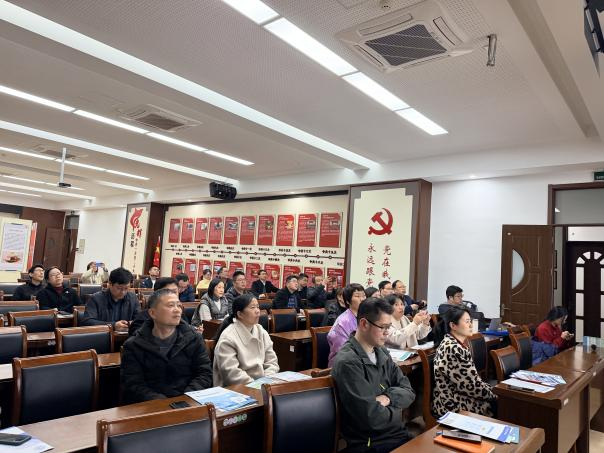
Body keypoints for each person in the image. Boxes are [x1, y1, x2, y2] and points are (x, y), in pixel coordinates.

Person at [332, 297, 415, 453]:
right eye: (383, 327)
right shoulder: (348, 362)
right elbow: (371, 418)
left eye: (389, 327)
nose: (387, 333)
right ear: (364, 324)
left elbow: (409, 391)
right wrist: (397, 409)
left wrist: (387, 398)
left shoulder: (381, 351)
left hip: (396, 434)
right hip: (370, 443)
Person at [121, 288, 213, 404]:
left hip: (188, 402)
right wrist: (162, 403)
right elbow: (133, 384)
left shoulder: (194, 338)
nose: (177, 310)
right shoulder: (134, 345)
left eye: (178, 305)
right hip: (151, 406)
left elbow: (204, 373)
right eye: (170, 305)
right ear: (152, 313)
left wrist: (185, 398)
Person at [432, 306, 496, 418]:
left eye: (470, 321)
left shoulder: (456, 344)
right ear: (453, 326)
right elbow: (471, 386)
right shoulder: (452, 348)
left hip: (461, 396)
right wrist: (495, 395)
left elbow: (473, 382)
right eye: (467, 322)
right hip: (452, 403)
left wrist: (493, 390)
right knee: (504, 404)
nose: (471, 325)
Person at [213, 294, 279, 386]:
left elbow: (272, 361)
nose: (258, 311)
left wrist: (267, 380)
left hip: (263, 384)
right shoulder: (228, 337)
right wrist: (255, 385)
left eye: (258, 307)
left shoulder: (260, 330)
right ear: (240, 314)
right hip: (238, 388)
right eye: (252, 307)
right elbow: (231, 374)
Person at [83, 267, 140, 331]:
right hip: (103, 336)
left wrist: (132, 323)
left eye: (126, 288)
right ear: (110, 284)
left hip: (127, 336)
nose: (123, 292)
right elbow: (87, 322)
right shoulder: (96, 299)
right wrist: (113, 325)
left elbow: (139, 319)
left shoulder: (132, 298)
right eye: (119, 288)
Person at [327, 283, 366, 367]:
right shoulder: (343, 322)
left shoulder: (366, 317)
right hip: (344, 364)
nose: (362, 299)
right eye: (357, 296)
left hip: (363, 360)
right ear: (348, 301)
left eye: (363, 295)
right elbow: (342, 350)